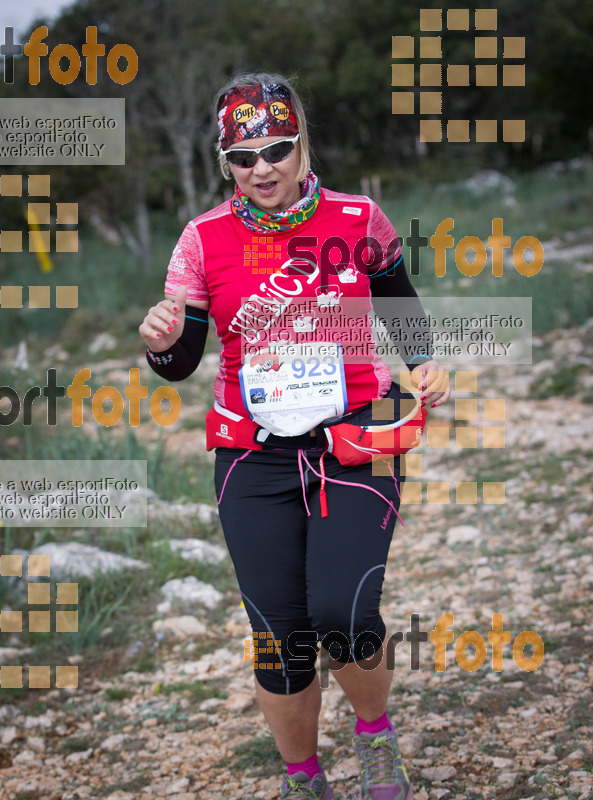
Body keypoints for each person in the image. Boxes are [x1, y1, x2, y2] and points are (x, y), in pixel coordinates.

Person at [140, 72, 450, 800]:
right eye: (244, 157)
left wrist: (423, 360)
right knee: (280, 636)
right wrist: (158, 341)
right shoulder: (202, 240)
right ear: (227, 163)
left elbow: (396, 295)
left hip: (354, 433)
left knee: (341, 608)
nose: (263, 168)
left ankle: (374, 741)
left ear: (300, 143)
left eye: (276, 148)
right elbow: (179, 359)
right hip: (250, 450)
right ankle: (303, 780)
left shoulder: (356, 215)